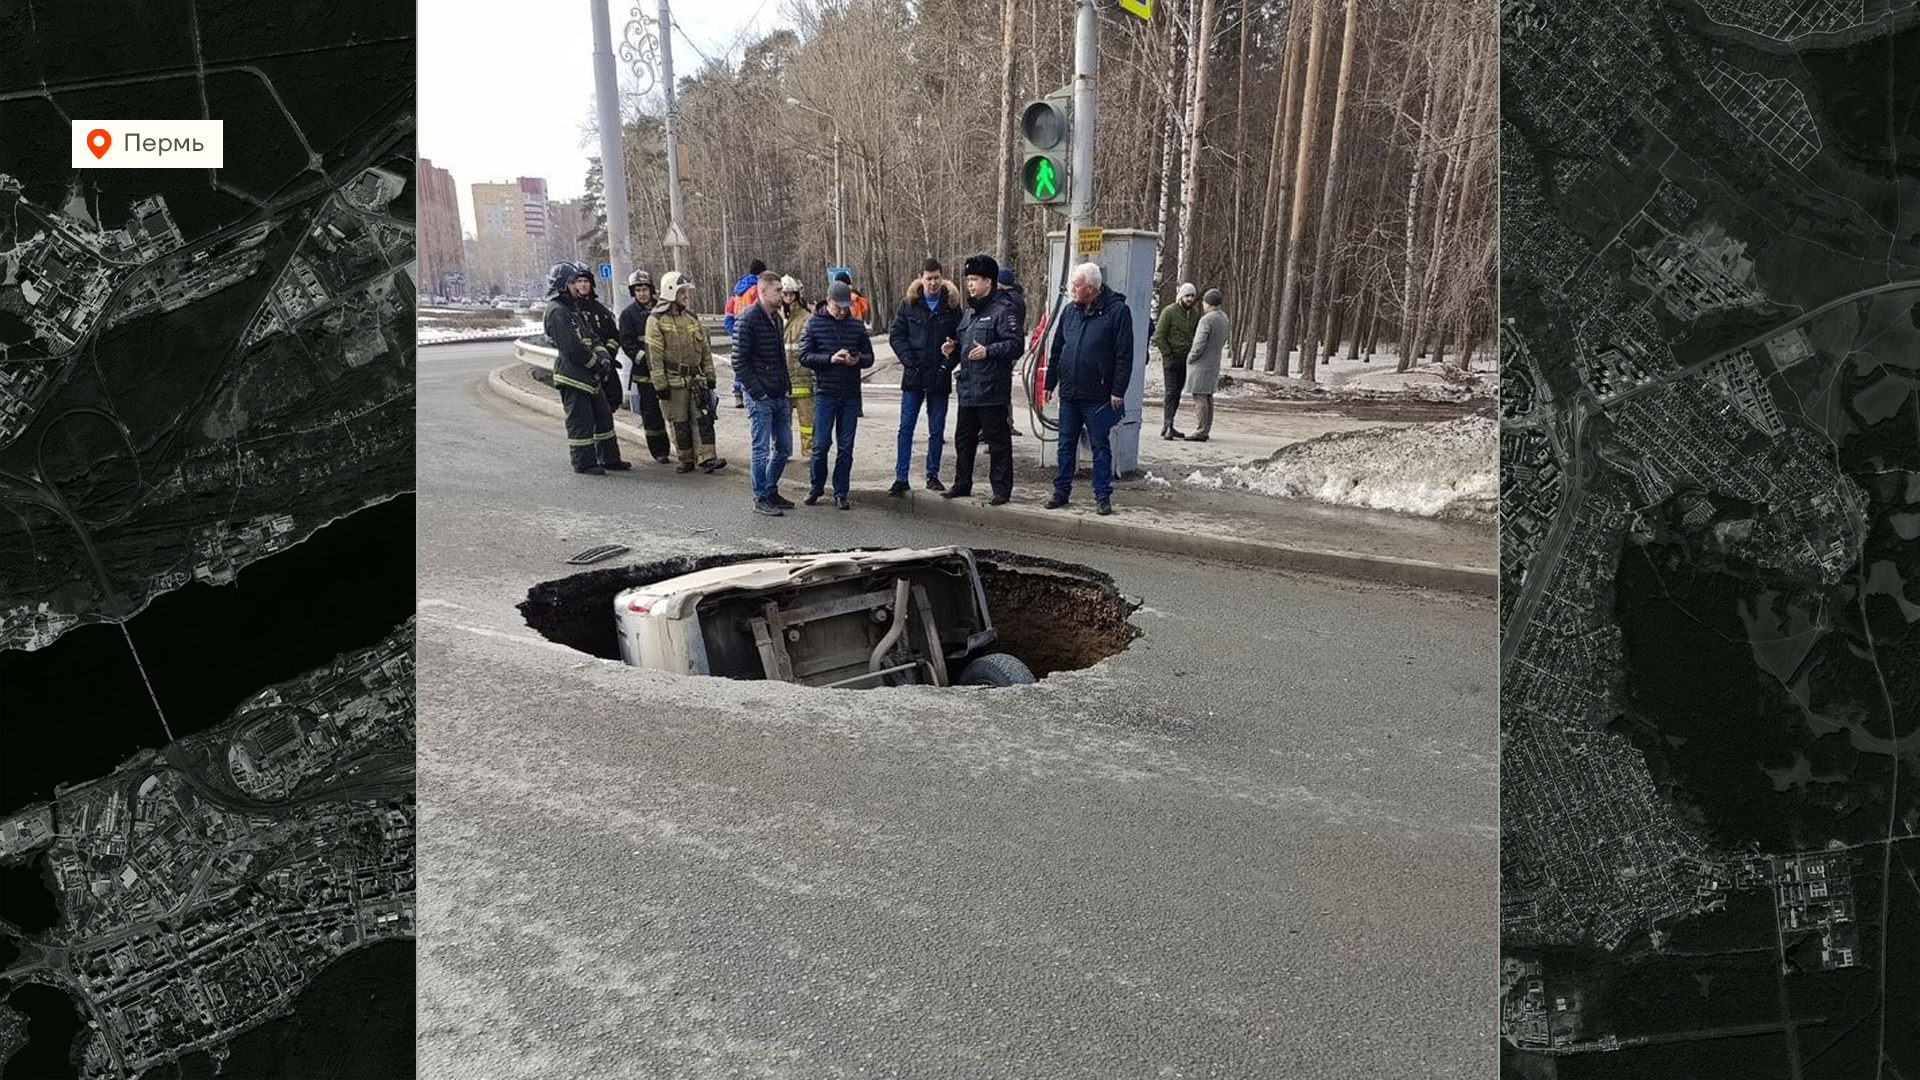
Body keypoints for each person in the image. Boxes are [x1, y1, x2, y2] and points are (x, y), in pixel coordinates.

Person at [1045, 262, 1133, 515]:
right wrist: (1050, 382)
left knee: (1100, 446)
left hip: (1098, 393)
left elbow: (1124, 355)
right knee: (1065, 444)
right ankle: (1061, 491)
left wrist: (1118, 390)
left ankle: (1102, 495)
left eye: (1076, 286)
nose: (1072, 290)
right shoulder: (1069, 311)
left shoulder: (1117, 311)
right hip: (1069, 392)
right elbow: (1057, 348)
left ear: (1091, 288)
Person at [942, 254, 1023, 506]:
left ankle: (1001, 489)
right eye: (968, 280)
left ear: (989, 281)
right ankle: (962, 483)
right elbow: (965, 345)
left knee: (997, 442)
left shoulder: (1004, 310)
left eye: (975, 279)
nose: (970, 284)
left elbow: (1015, 345)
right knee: (963, 441)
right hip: (968, 388)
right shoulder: (969, 313)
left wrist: (989, 351)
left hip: (991, 389)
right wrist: (952, 349)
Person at [542, 261, 630, 475]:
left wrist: (604, 357)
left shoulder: (573, 309)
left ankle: (609, 458)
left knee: (603, 418)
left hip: (590, 377)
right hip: (573, 377)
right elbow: (572, 348)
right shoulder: (557, 312)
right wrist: (596, 363)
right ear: (563, 284)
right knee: (581, 422)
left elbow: (592, 337)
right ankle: (584, 462)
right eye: (574, 282)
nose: (579, 286)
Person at [886, 258, 963, 496]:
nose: (933, 283)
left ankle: (933, 475)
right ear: (921, 278)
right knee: (906, 428)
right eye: (928, 278)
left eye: (937, 278)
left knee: (936, 430)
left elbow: (961, 340)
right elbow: (896, 335)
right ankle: (901, 477)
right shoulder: (909, 304)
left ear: (942, 278)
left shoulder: (951, 306)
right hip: (914, 376)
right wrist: (910, 362)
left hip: (939, 376)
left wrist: (947, 363)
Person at [800, 279, 874, 509]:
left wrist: (856, 360)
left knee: (846, 447)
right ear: (828, 302)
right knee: (821, 445)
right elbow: (804, 356)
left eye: (845, 307)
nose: (842, 312)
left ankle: (841, 492)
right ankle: (816, 487)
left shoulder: (856, 326)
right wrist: (830, 359)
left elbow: (869, 357)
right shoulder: (814, 323)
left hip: (850, 395)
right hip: (825, 393)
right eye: (838, 307)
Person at [645, 271, 727, 474]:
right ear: (671, 291)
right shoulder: (656, 320)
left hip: (696, 380)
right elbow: (654, 357)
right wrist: (660, 385)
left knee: (703, 420)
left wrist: (710, 375)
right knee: (679, 422)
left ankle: (707, 458)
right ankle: (686, 458)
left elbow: (705, 350)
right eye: (682, 292)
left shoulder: (691, 318)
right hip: (673, 382)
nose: (686, 296)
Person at [735, 270, 794, 515]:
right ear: (763, 291)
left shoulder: (776, 319)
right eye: (778, 290)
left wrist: (786, 387)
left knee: (784, 447)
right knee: (760, 449)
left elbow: (780, 358)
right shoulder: (748, 319)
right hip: (760, 397)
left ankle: (770, 489)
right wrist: (757, 392)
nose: (782, 294)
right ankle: (760, 497)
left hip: (778, 393)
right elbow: (739, 361)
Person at [617, 269, 672, 463]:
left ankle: (685, 449)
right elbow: (626, 342)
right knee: (651, 413)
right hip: (644, 373)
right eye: (638, 290)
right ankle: (660, 451)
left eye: (644, 289)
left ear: (651, 289)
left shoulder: (663, 308)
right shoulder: (628, 314)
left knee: (676, 411)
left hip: (667, 369)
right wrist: (644, 359)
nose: (642, 293)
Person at [1151, 282, 1201, 441]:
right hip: (1171, 358)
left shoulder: (1195, 315)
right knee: (1171, 392)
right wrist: (1168, 354)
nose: (1190, 299)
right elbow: (1159, 335)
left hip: (1186, 360)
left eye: (1192, 296)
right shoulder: (1169, 312)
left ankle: (1169, 424)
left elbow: (1196, 335)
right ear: (1181, 297)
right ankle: (1167, 425)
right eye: (1187, 296)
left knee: (1177, 392)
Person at [1186, 289, 1230, 443]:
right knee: (1208, 396)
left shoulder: (1206, 320)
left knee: (1199, 396)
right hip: (1214, 361)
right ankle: (1206, 429)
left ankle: (1201, 430)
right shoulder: (1223, 318)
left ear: (1208, 303)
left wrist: (1191, 357)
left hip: (1201, 364)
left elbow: (1199, 343)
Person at [779, 275, 814, 459]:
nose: (788, 298)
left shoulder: (807, 319)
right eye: (784, 294)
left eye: (791, 294)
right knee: (782, 424)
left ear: (797, 295)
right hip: (781, 382)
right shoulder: (774, 318)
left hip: (803, 380)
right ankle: (782, 452)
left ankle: (809, 453)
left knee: (807, 422)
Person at [723, 258, 767, 406]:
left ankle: (738, 393)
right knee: (750, 363)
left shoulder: (737, 291)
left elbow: (728, 315)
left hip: (739, 330)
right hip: (753, 331)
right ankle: (747, 393)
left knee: (740, 362)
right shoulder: (756, 290)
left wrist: (734, 333)